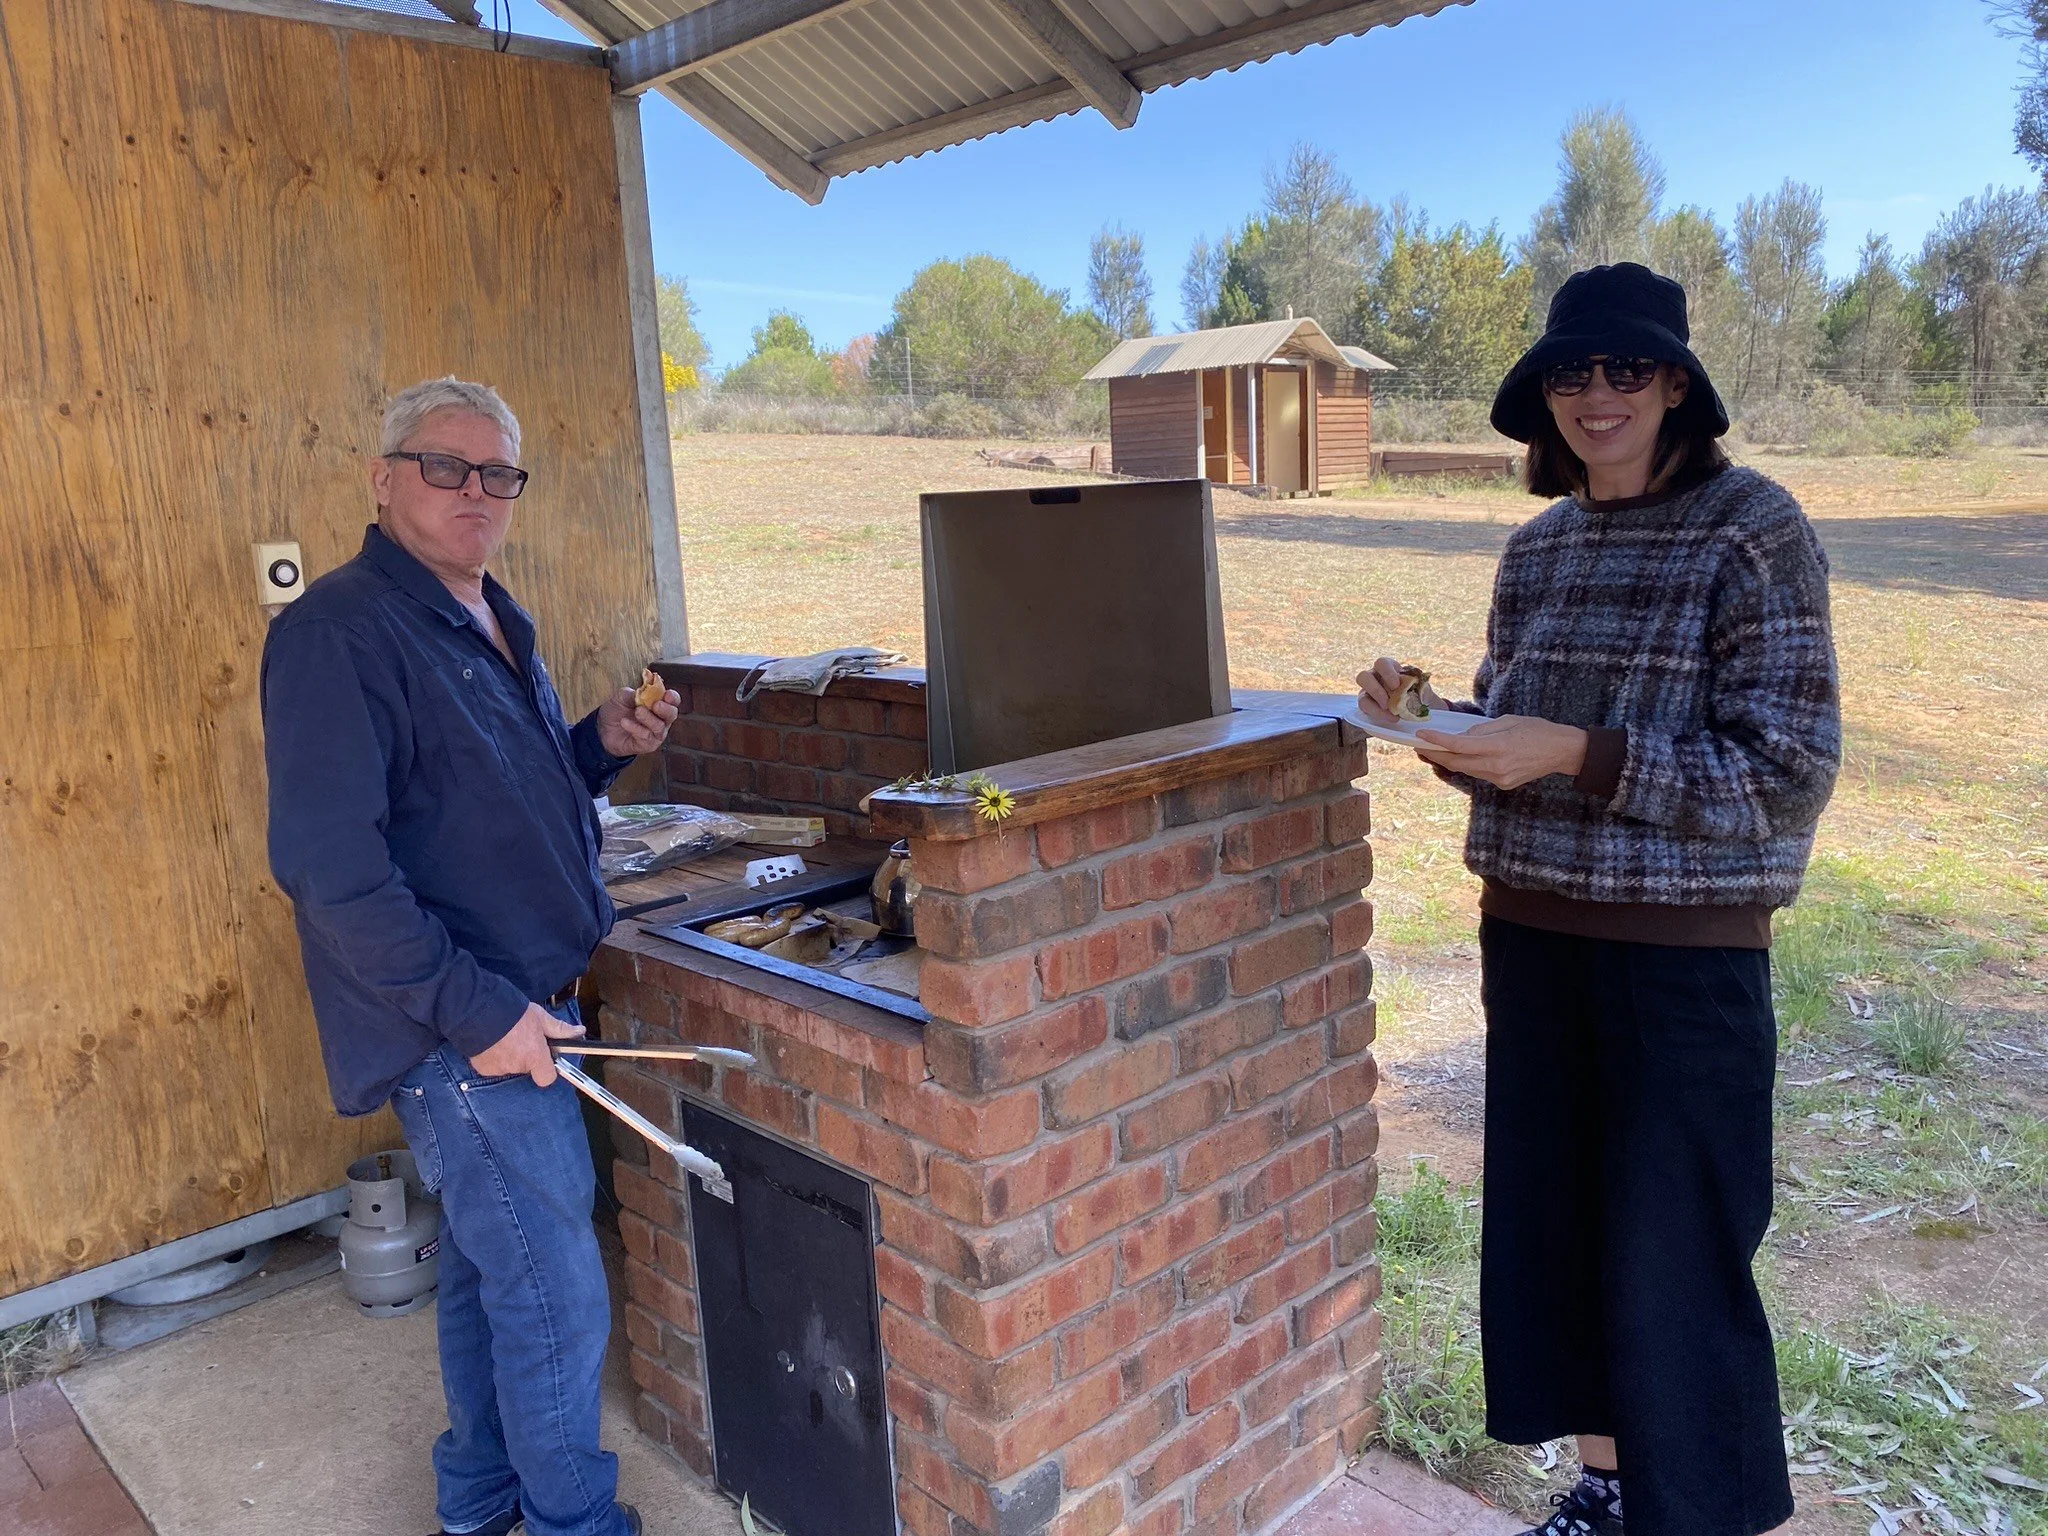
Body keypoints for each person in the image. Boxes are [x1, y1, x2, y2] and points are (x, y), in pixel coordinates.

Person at [1356, 264, 1840, 1536]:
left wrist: (1574, 752)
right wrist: (1434, 725)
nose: (1595, 396)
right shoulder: (1537, 550)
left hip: (1681, 961)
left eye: (1625, 370)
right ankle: (1607, 1487)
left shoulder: (1752, 527)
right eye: (1571, 374)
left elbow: (1785, 775)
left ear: (1676, 384)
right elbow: (1512, 731)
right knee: (1559, 1241)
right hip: (1529, 937)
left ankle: (1707, 1516)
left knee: (1676, 1257)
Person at [263, 377, 679, 1536]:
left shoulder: (487, 612)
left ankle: (480, 1502)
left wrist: (598, 743)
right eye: (445, 466)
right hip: (463, 1027)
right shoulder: (337, 634)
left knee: (491, 1278)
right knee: (554, 1293)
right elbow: (328, 868)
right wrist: (477, 1013)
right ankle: (571, 1523)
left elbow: (496, 790)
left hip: (519, 1003)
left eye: (498, 473)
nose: (475, 492)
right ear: (382, 477)